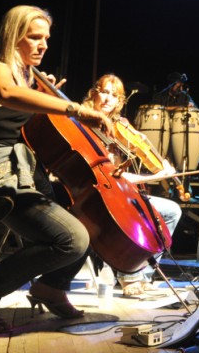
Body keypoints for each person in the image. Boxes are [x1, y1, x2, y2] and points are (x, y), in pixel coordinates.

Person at [0, 5, 112, 333]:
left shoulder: (31, 79)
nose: (43, 45)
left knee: (94, 219)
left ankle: (51, 287)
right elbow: (9, 94)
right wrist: (76, 108)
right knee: (72, 239)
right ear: (14, 37)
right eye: (34, 37)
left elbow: (31, 121)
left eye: (46, 39)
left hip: (30, 174)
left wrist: (43, 93)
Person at [82, 74, 183, 296]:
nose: (109, 99)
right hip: (94, 194)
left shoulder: (117, 127)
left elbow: (122, 171)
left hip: (118, 191)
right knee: (133, 215)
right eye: (105, 92)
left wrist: (160, 166)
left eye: (115, 95)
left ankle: (143, 273)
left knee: (171, 211)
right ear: (93, 93)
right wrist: (145, 178)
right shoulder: (83, 125)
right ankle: (129, 277)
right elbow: (103, 174)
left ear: (120, 102)